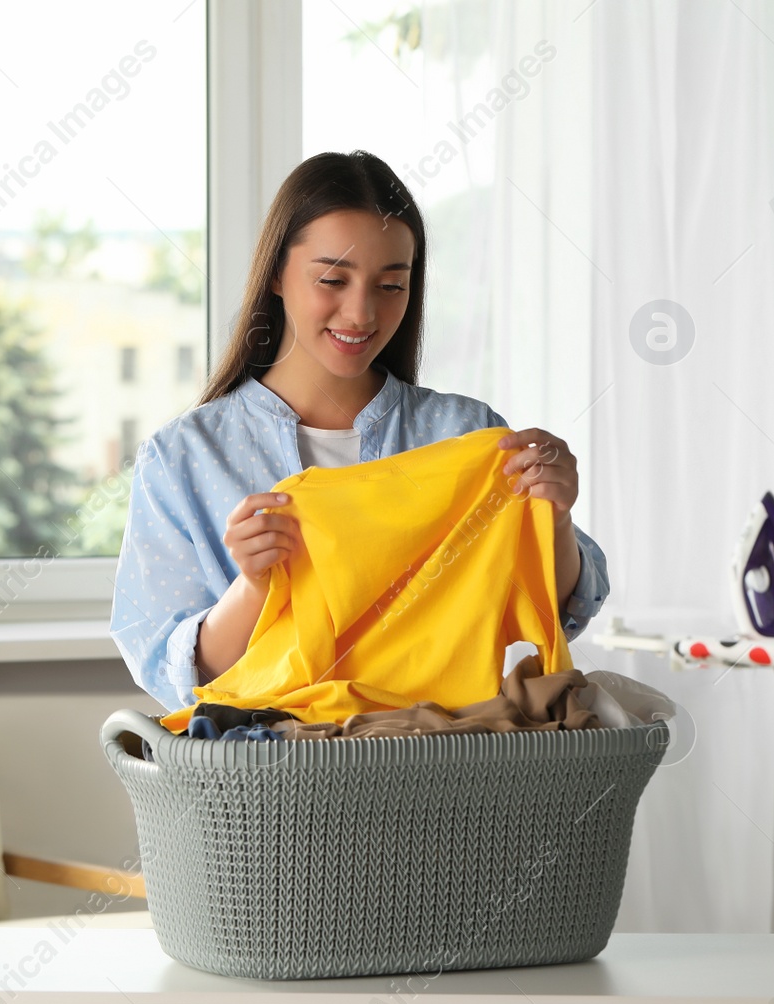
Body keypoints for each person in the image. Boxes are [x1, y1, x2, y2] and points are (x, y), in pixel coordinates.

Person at [110, 150, 610, 712]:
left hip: (449, 771)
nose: (360, 313)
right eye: (332, 279)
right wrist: (254, 589)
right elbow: (179, 674)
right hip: (271, 782)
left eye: (391, 286)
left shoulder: (466, 435)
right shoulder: (182, 457)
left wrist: (555, 514)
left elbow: (562, 608)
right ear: (276, 272)